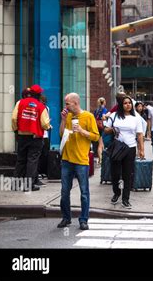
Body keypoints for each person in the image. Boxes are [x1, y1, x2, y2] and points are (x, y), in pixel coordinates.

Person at [58, 93, 100, 230]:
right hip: (66, 159)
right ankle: (66, 217)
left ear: (75, 103)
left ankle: (83, 220)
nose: (66, 106)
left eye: (67, 103)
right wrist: (63, 120)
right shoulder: (68, 116)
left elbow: (95, 136)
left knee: (84, 192)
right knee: (64, 191)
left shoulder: (88, 116)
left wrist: (82, 131)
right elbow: (61, 134)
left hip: (81, 160)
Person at [104, 96, 145, 209]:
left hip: (130, 148)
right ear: (121, 105)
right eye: (125, 103)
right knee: (115, 174)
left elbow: (140, 134)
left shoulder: (136, 117)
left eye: (129, 103)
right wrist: (113, 129)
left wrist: (141, 149)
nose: (128, 105)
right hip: (117, 148)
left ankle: (125, 199)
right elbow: (106, 129)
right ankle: (116, 193)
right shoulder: (114, 115)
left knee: (128, 175)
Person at [11, 84, 51, 191]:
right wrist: (48, 126)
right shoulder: (41, 106)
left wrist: (16, 130)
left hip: (22, 136)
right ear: (38, 94)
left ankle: (15, 184)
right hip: (35, 137)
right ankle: (29, 185)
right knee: (32, 160)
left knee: (21, 160)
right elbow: (44, 124)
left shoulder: (20, 102)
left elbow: (14, 118)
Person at [36, 94, 50, 186]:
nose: (43, 103)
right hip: (40, 134)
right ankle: (38, 173)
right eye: (42, 101)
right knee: (38, 155)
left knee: (44, 154)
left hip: (45, 134)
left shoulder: (47, 108)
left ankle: (43, 171)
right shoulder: (38, 108)